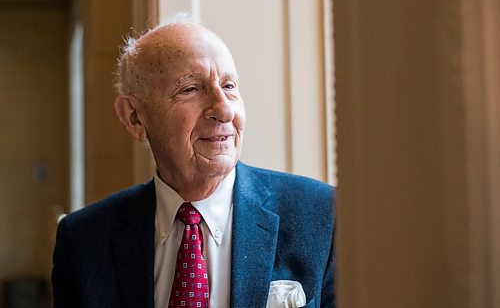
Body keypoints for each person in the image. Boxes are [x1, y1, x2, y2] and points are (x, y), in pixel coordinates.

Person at [51, 17, 335, 308]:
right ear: (134, 117)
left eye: (229, 86)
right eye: (190, 89)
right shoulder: (83, 240)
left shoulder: (323, 215)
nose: (224, 109)